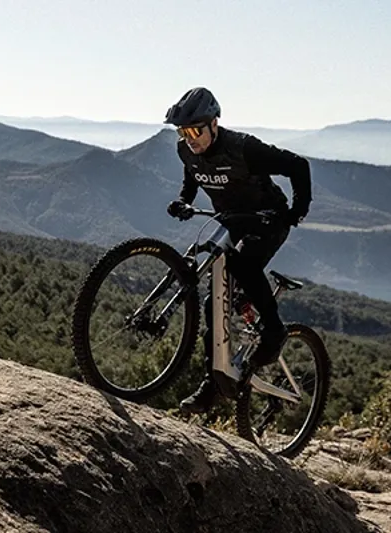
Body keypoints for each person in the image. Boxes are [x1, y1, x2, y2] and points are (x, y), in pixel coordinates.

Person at [163, 86, 313, 414]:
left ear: (214, 124)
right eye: (182, 131)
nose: (189, 138)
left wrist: (296, 211)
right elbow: (194, 176)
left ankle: (274, 333)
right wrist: (184, 201)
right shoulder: (185, 150)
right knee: (213, 302)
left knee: (244, 266)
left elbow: (298, 165)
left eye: (195, 130)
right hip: (233, 220)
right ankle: (214, 384)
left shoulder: (244, 149)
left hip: (267, 219)